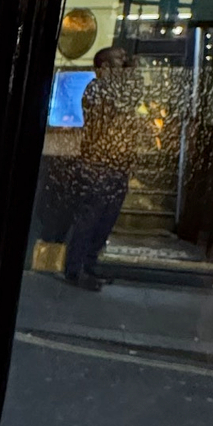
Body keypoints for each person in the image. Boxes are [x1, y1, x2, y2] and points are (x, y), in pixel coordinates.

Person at [64, 47, 139, 291]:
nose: (124, 62)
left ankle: (89, 263)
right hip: (98, 166)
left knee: (106, 220)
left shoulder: (118, 89)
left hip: (116, 166)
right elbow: (114, 113)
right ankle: (75, 269)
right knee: (90, 218)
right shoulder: (96, 89)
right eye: (119, 59)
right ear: (104, 66)